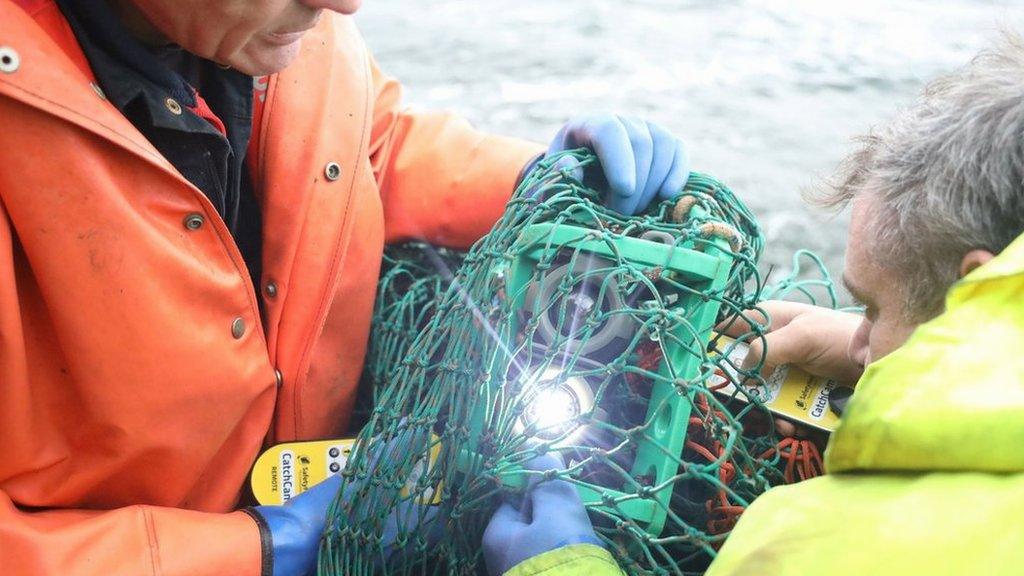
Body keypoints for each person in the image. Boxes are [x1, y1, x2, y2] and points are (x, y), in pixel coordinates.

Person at [0, 0, 691, 574]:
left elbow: (367, 144)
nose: (345, 4)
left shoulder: (290, 32)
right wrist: (258, 550)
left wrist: (526, 181)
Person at [484, 34, 1024, 576]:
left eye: (873, 309)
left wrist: (558, 566)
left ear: (970, 294)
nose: (857, 338)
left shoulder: (818, 547)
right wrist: (898, 353)